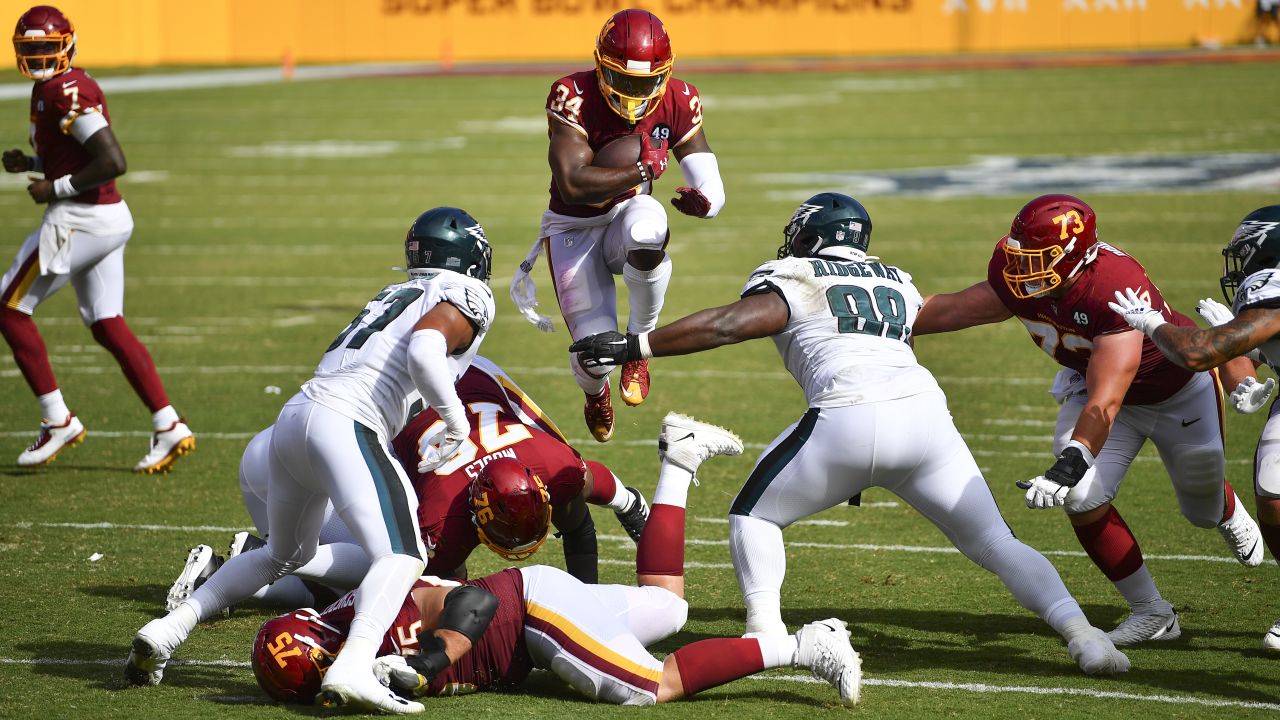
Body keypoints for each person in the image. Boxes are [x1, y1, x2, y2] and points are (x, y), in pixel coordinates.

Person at [570, 192, 1130, 675]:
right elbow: (955, 311)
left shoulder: (795, 274)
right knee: (995, 543)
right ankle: (1086, 636)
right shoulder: (896, 281)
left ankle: (764, 630)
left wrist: (637, 345)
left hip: (847, 414)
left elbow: (730, 324)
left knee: (754, 516)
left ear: (809, 235)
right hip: (926, 419)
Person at [125, 207, 496, 715]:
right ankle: (355, 663)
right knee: (404, 556)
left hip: (295, 416)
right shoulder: (465, 291)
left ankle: (169, 629)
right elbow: (426, 350)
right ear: (469, 254)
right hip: (346, 420)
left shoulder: (400, 292)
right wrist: (454, 422)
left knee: (284, 554)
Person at [250, 412, 865, 707]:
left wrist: (429, 660)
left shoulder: (378, 615)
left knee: (651, 688)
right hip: (535, 610)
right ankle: (679, 461)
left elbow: (473, 599)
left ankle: (806, 646)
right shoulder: (346, 623)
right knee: (668, 609)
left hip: (530, 612)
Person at [911, 193, 1264, 647]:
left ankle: (1224, 506)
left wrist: (1074, 456)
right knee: (1080, 496)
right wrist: (882, 315)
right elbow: (959, 309)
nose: (1022, 268)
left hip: (1174, 393)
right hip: (1093, 386)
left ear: (1074, 257)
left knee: (1199, 510)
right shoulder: (1019, 271)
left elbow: (1107, 399)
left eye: (1038, 258)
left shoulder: (1114, 286)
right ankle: (1153, 612)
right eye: (1021, 254)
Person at [164, 356, 652, 613]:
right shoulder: (450, 510)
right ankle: (250, 563)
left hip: (287, 438)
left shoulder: (546, 462)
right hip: (307, 472)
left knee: (404, 559)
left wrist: (629, 508)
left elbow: (579, 485)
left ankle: (267, 554)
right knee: (389, 576)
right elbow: (581, 487)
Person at [508, 8, 725, 443]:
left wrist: (707, 202)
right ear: (600, 66)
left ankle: (640, 343)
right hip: (574, 227)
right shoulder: (573, 94)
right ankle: (595, 392)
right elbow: (572, 185)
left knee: (648, 225)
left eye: (645, 83)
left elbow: (709, 178)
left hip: (626, 215)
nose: (633, 94)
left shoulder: (679, 98)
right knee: (595, 356)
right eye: (623, 80)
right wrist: (640, 171)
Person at [1, 5, 193, 472]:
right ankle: (169, 424)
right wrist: (31, 164)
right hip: (106, 217)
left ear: (67, 44)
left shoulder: (64, 90)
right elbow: (76, 157)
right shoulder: (56, 87)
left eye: (47, 47)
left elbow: (112, 160)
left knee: (8, 307)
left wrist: (54, 188)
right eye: (32, 50)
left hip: (79, 219)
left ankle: (57, 418)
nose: (41, 57)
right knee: (107, 322)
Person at [1107, 204, 1280, 650]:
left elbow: (1199, 354)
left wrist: (1154, 323)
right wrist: (1243, 369)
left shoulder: (1271, 286)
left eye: (1248, 253)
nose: (1241, 267)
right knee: (1273, 489)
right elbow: (1253, 347)